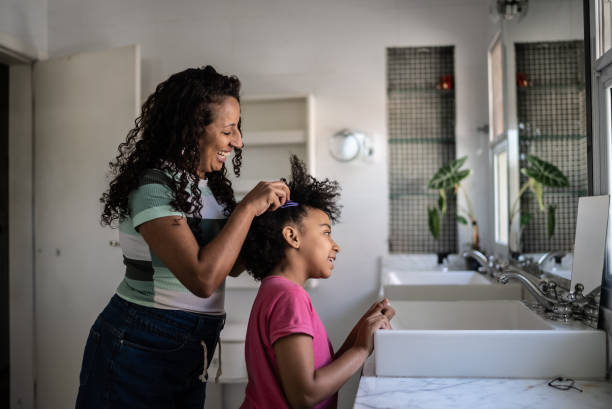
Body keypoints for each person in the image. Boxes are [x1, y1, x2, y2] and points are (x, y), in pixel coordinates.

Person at [75, 66, 290, 409]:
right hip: (139, 344)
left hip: (193, 347)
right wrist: (247, 209)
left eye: (238, 129)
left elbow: (228, 267)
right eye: (228, 130)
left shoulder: (211, 190)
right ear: (193, 130)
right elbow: (202, 278)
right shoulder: (153, 188)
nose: (238, 141)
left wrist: (271, 222)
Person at [239, 155, 395, 409]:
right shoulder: (289, 297)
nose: (336, 246)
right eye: (325, 232)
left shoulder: (276, 290)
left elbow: (324, 372)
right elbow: (306, 394)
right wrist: (361, 350)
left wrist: (361, 331)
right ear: (292, 236)